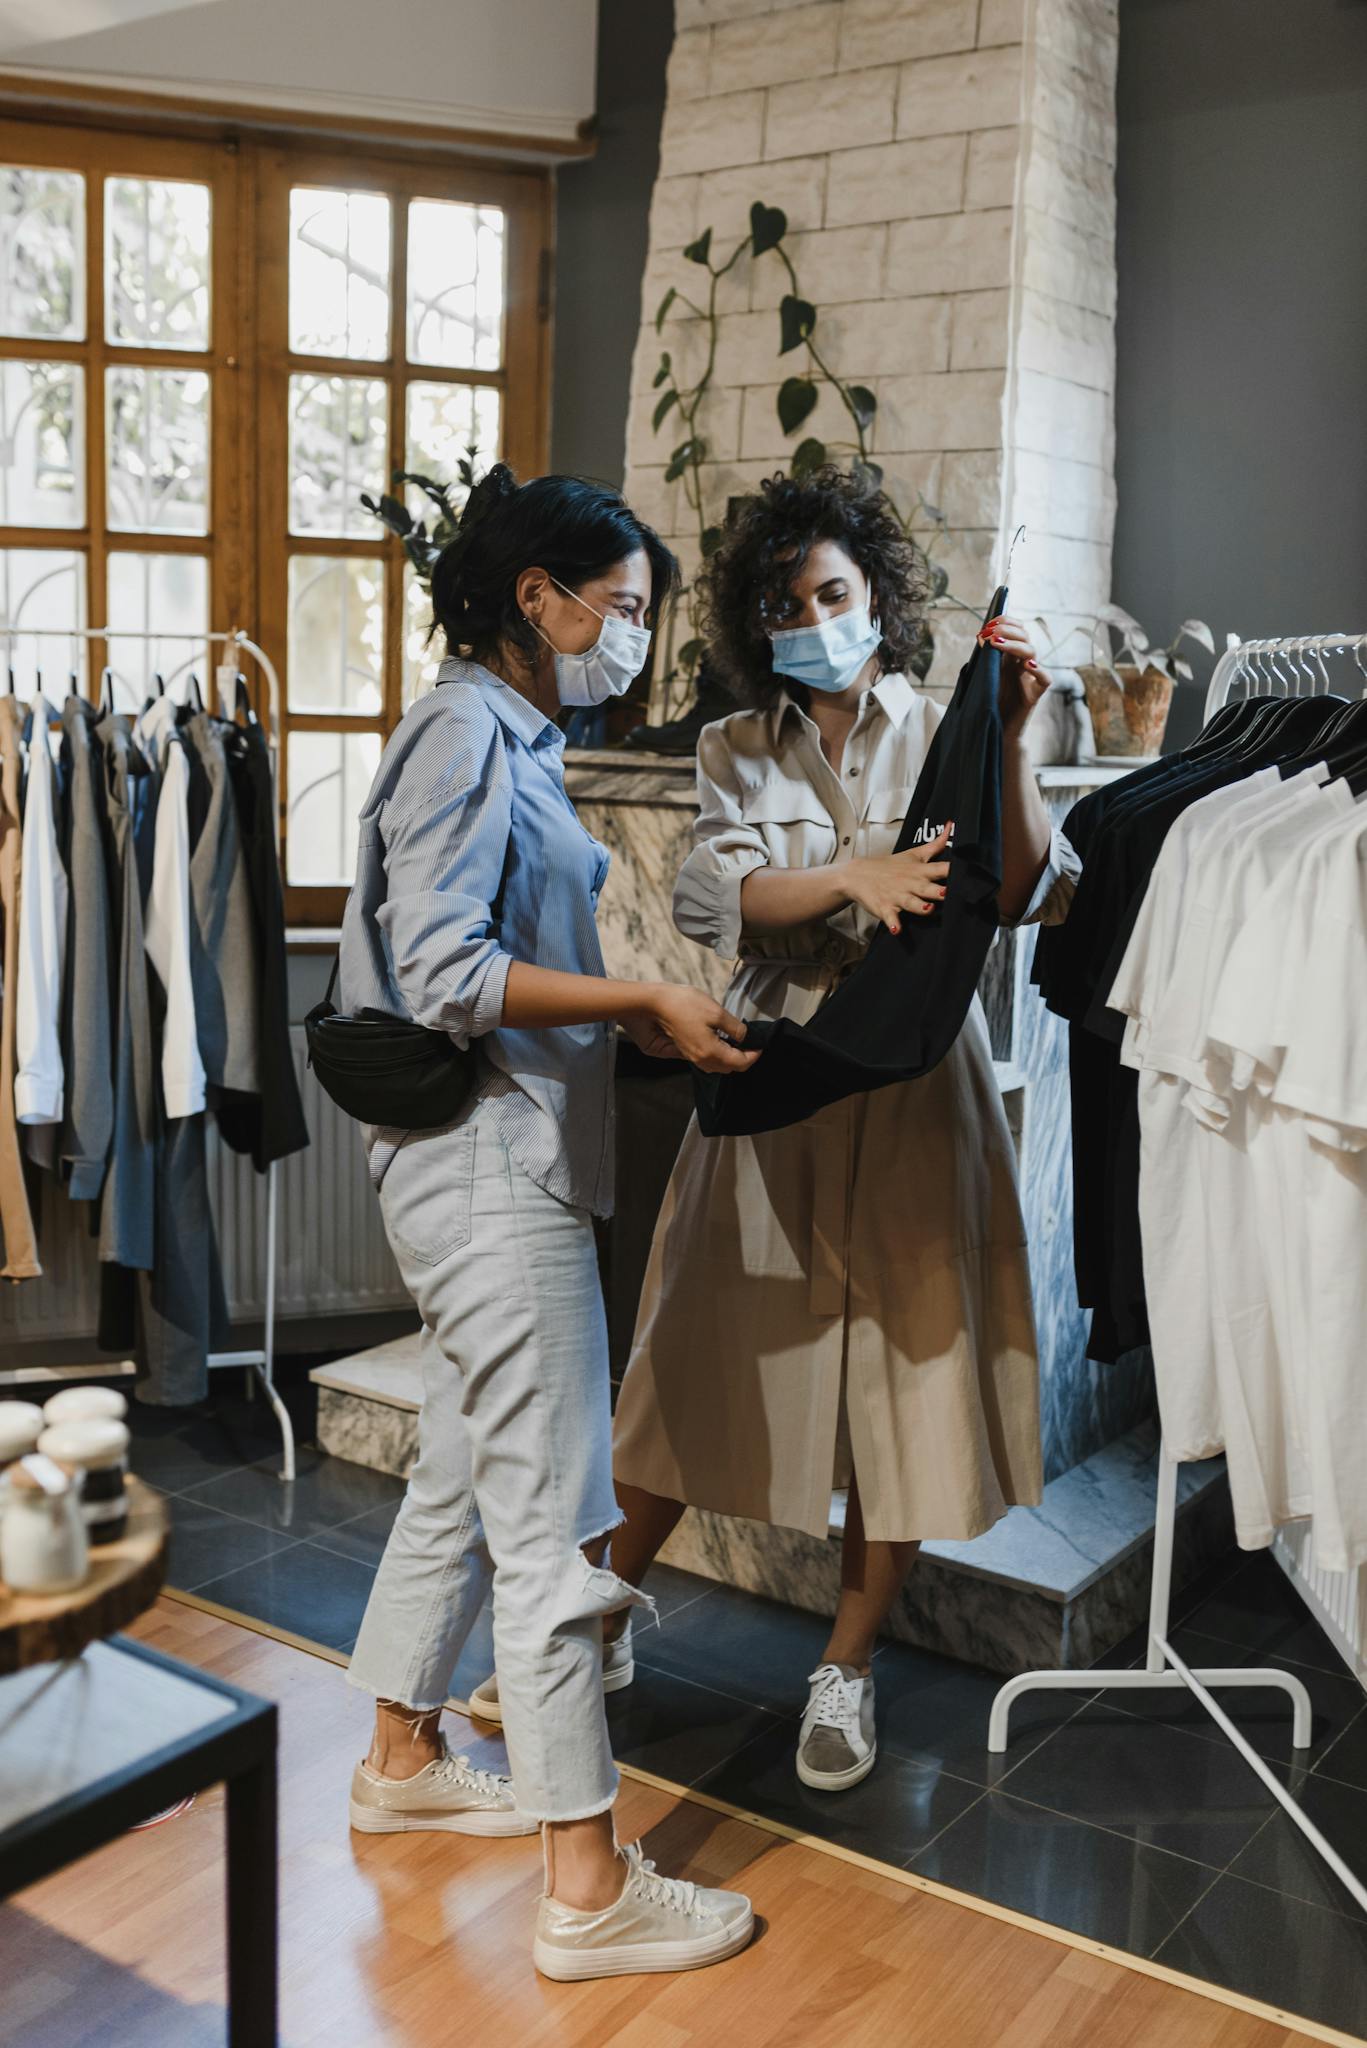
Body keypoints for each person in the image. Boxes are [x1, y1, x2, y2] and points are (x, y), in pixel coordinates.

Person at [508, 465, 1077, 1793]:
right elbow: (719, 894)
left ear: (879, 596)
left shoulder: (946, 720)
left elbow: (1042, 886)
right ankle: (598, 1621)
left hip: (917, 1094)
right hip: (772, 1078)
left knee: (902, 1393)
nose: (812, 615)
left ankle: (849, 1665)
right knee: (692, 1361)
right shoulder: (733, 745)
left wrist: (1007, 744)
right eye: (787, 600)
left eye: (832, 591)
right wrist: (852, 878)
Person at [341, 465, 758, 1981]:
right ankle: (586, 1881)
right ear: (542, 599)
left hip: (496, 1147)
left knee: (462, 1464)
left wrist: (628, 1032)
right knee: (552, 1521)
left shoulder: (499, 730)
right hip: (486, 1168)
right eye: (624, 608)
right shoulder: (467, 730)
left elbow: (492, 963)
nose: (633, 639)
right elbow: (449, 973)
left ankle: (401, 1753)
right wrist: (643, 993)